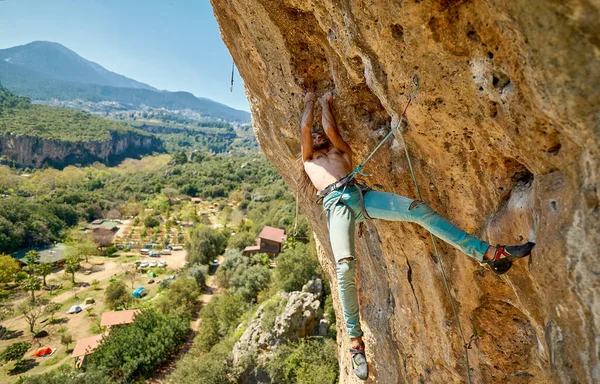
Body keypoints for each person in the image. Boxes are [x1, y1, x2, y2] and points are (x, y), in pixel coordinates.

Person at [300, 91, 535, 380]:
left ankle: (488, 254)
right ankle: (355, 343)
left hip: (360, 196)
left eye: (319, 134)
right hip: (335, 206)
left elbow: (331, 130)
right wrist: (310, 103)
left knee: (417, 209)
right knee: (345, 267)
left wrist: (325, 105)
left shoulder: (342, 153)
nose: (317, 136)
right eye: (315, 135)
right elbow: (304, 129)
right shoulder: (308, 160)